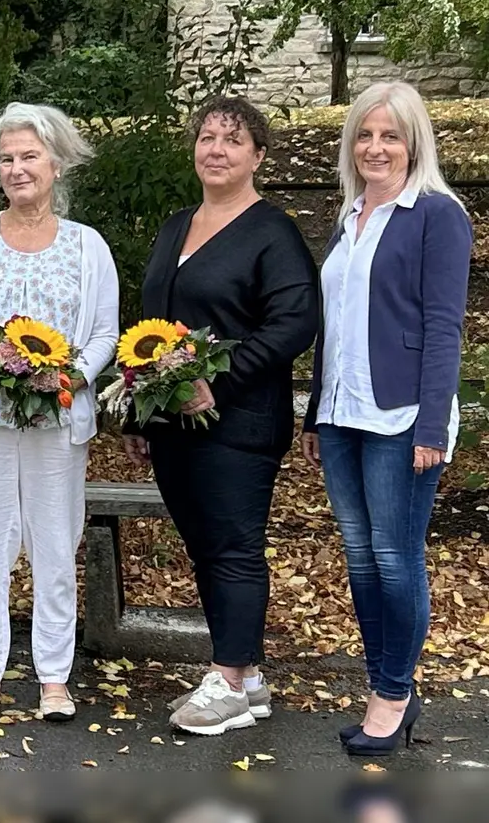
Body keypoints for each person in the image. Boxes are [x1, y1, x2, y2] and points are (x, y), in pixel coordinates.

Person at [124, 95, 319, 736]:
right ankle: (249, 676)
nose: (216, 149)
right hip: (174, 425)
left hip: (237, 422)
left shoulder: (272, 231)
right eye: (208, 137)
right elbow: (149, 329)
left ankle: (229, 678)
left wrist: (220, 380)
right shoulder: (177, 225)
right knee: (207, 548)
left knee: (234, 548)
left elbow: (295, 323)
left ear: (258, 155)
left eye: (233, 140)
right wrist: (139, 417)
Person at [301, 82, 470, 756]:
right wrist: (315, 412)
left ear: (414, 142)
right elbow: (331, 325)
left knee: (396, 560)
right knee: (362, 560)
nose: (376, 147)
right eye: (366, 135)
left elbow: (443, 325)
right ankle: (386, 685)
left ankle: (393, 696)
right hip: (343, 414)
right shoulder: (351, 216)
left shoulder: (437, 214)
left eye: (390, 135)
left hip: (402, 416)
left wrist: (433, 426)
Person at [0, 103, 118, 723]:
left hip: (57, 421)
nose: (17, 169)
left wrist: (69, 375)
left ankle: (53, 678)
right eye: (7, 158)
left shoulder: (87, 246)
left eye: (29, 156)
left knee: (54, 547)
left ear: (56, 163)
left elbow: (103, 333)